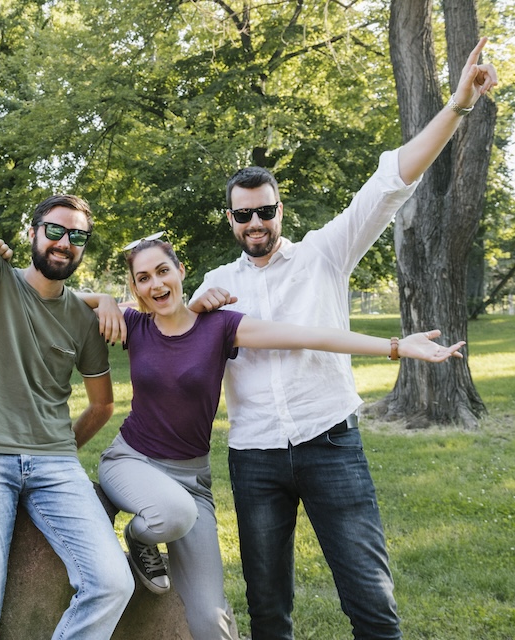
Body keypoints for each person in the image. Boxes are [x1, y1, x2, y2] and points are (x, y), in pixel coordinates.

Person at [189, 37, 498, 640]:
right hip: (254, 458)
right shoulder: (216, 283)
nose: (256, 223)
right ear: (229, 219)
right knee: (268, 611)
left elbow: (392, 183)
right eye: (243, 215)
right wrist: (198, 309)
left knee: (372, 604)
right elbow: (163, 327)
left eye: (265, 211)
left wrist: (458, 106)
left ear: (281, 209)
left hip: (331, 445)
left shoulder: (324, 255)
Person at [90, 236, 464, 640]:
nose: (155, 285)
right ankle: (141, 538)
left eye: (163, 271)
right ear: (134, 287)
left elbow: (307, 336)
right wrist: (103, 299)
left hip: (191, 481)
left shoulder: (220, 327)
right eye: (142, 278)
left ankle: (145, 536)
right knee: (171, 514)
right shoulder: (135, 325)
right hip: (132, 462)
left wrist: (395, 347)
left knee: (209, 620)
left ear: (181, 272)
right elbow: (53, 292)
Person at [0, 110, 134, 640]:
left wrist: (57, 445)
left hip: (57, 466)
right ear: (33, 232)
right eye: (55, 230)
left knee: (113, 582)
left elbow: (102, 406)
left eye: (76, 237)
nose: (64, 242)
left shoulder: (87, 317)